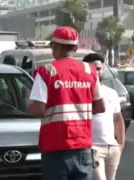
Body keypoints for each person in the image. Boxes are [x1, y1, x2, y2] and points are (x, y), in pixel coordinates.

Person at [28, 26, 105, 180]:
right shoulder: (90, 71)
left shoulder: (46, 72)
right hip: (83, 147)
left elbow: (39, 110)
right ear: (76, 47)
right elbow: (100, 107)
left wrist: (28, 106)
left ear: (55, 46)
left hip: (55, 148)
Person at [82, 53, 125, 180]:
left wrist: (120, 144)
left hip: (112, 148)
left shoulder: (112, 93)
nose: (96, 72)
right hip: (92, 148)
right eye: (92, 69)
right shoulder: (81, 93)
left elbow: (117, 119)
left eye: (99, 69)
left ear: (103, 69)